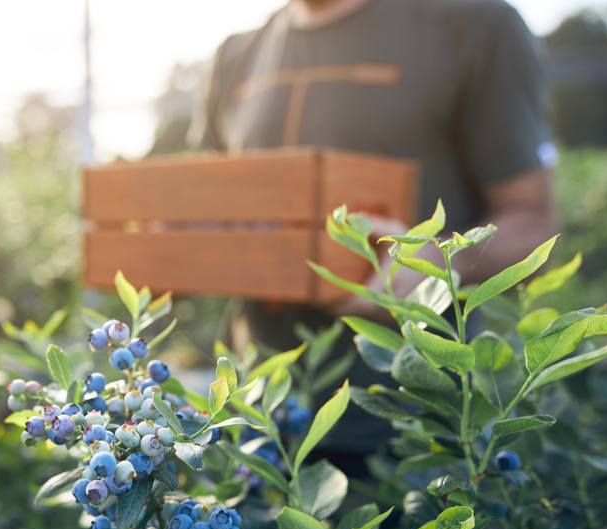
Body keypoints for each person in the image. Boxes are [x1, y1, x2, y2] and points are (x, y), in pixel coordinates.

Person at [188, 0, 558, 454]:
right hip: (252, 424)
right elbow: (206, 214)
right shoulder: (233, 56)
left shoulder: (474, 24)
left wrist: (429, 264)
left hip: (415, 433)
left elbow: (533, 223)